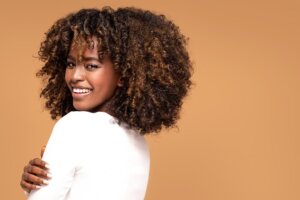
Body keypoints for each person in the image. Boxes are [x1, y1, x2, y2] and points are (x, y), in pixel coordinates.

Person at [20, 6, 192, 199]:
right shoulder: (138, 142)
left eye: (91, 66)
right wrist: (40, 181)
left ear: (123, 75)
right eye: (70, 64)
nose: (75, 76)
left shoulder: (74, 127)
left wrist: (36, 190)